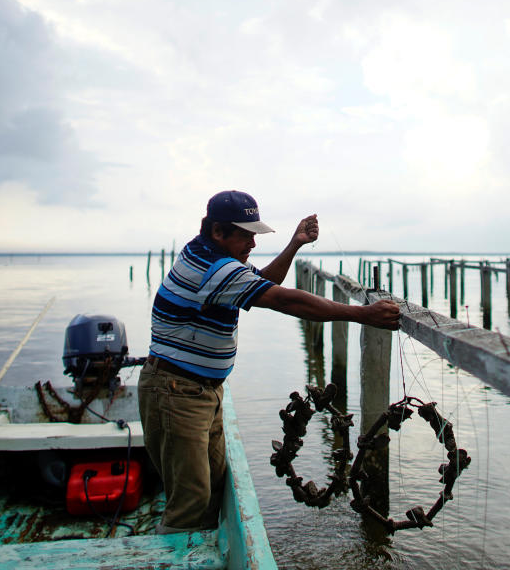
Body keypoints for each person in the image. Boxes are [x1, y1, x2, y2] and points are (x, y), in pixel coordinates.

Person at [138, 190, 401, 533]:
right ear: (219, 232)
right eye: (246, 235)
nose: (252, 243)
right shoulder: (213, 268)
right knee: (190, 502)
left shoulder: (208, 252)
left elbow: (261, 282)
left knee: (214, 489)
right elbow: (284, 300)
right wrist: (361, 314)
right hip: (176, 392)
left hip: (201, 392)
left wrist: (294, 244)